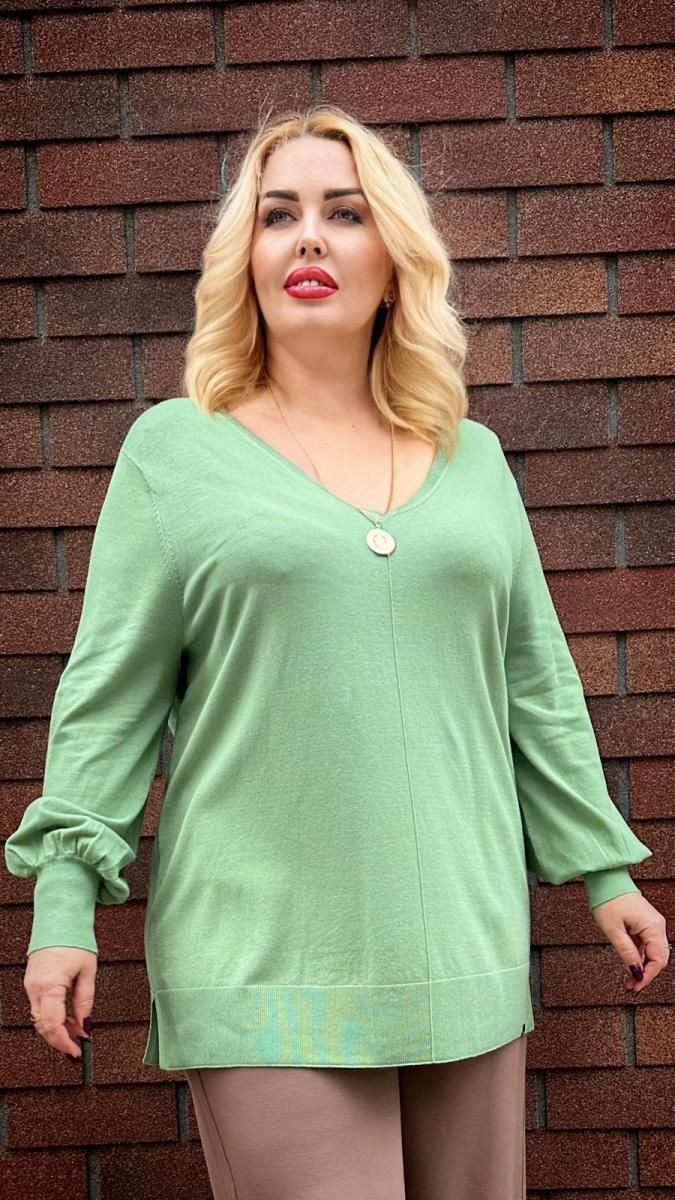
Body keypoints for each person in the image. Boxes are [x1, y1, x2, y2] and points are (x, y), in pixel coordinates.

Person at [4, 104, 670, 1200]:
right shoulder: (176, 452)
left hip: (463, 947)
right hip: (261, 960)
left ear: (396, 258)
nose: (308, 236)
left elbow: (533, 682)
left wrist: (603, 872)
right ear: (246, 259)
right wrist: (63, 909)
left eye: (344, 213)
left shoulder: (473, 459)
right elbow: (107, 699)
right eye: (278, 216)